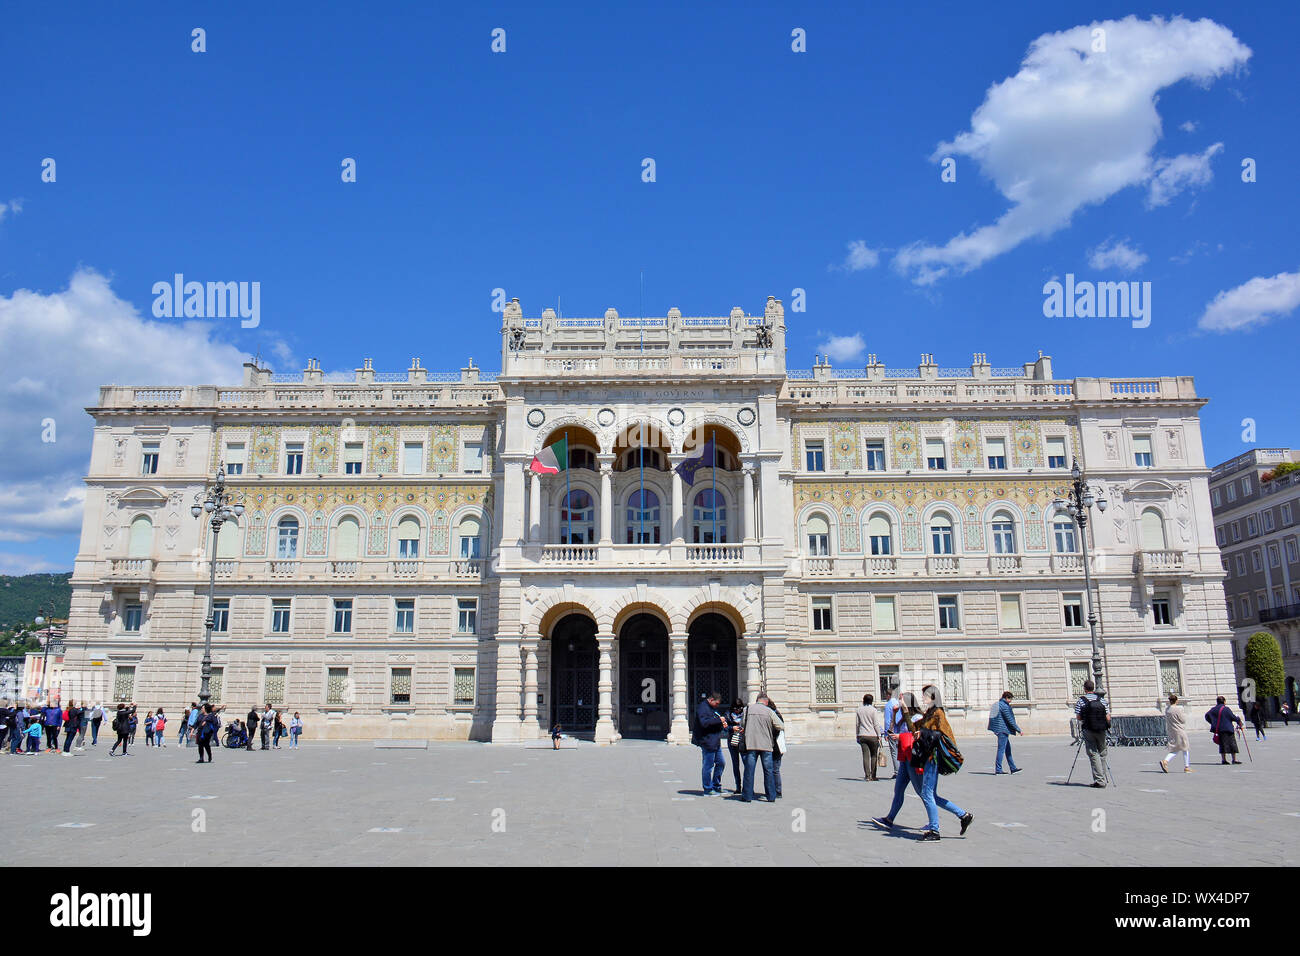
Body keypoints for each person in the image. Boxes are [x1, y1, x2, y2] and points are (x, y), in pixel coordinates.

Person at [907, 685, 973, 840]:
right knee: (932, 795)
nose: (922, 698)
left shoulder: (938, 713)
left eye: (925, 696)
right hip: (928, 757)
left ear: (933, 697)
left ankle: (934, 831)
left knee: (926, 793)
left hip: (933, 758)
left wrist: (923, 732)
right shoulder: (929, 714)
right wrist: (905, 711)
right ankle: (964, 816)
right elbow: (913, 729)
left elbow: (944, 735)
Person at [739, 693, 783, 803]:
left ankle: (747, 796)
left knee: (749, 771)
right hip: (766, 745)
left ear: (757, 700)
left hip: (751, 743)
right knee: (768, 771)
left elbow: (742, 724)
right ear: (766, 702)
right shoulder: (769, 711)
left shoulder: (747, 709)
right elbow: (781, 725)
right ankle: (771, 796)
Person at [1074, 680, 1110, 788]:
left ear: (1085, 689)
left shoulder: (1081, 700)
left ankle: (1099, 780)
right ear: (1093, 688)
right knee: (1102, 753)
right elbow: (1108, 717)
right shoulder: (1101, 700)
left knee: (1093, 753)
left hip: (1088, 729)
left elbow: (1079, 717)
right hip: (1101, 730)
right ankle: (1103, 777)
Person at [693, 691, 728, 796]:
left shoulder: (712, 708)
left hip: (715, 741)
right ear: (711, 700)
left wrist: (722, 724)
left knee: (721, 763)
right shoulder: (703, 707)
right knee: (708, 766)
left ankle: (716, 785)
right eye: (716, 703)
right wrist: (718, 720)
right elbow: (704, 723)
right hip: (707, 741)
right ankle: (707, 789)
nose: (718, 705)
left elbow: (714, 722)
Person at [988, 691, 1023, 775]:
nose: (1010, 701)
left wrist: (994, 729)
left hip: (998, 730)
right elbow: (1010, 719)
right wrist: (1019, 730)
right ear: (1007, 698)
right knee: (1001, 750)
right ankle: (998, 770)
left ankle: (1013, 768)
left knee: (1008, 750)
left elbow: (992, 717)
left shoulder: (996, 704)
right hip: (1003, 730)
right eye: (1010, 699)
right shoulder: (1004, 706)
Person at [1205, 696, 1244, 765]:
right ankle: (1234, 759)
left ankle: (1224, 760)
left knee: (1222, 744)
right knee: (1232, 744)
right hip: (1228, 729)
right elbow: (1233, 717)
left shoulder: (1213, 709)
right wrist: (1238, 720)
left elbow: (1207, 716)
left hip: (1219, 730)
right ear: (1224, 701)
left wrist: (1213, 723)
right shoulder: (1226, 709)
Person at [1159, 693, 1191, 773]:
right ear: (1176, 700)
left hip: (1172, 731)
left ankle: (1166, 761)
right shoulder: (1178, 709)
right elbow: (1183, 720)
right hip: (1180, 730)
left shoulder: (1167, 709)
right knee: (1185, 748)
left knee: (1176, 748)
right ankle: (1186, 766)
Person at [856, 693, 882, 781]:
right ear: (871, 701)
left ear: (863, 700)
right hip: (873, 735)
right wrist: (879, 735)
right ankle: (873, 775)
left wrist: (857, 735)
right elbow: (876, 724)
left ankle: (867, 776)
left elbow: (857, 724)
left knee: (865, 756)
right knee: (874, 755)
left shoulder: (859, 710)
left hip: (862, 735)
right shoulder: (873, 710)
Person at [882, 688, 905, 778]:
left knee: (894, 752)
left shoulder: (888, 705)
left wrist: (886, 733)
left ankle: (897, 772)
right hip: (901, 731)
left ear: (888, 695)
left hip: (893, 731)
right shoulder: (899, 703)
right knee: (901, 751)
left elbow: (888, 721)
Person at [767, 696, 786, 799]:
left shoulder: (774, 714)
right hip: (776, 745)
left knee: (774, 769)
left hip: (776, 746)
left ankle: (777, 791)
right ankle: (775, 790)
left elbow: (777, 730)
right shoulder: (775, 713)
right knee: (774, 769)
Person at [725, 698, 745, 793]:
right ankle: (738, 786)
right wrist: (732, 728)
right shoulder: (728, 714)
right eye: (735, 708)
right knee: (735, 765)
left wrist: (744, 729)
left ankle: (747, 786)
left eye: (739, 708)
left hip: (743, 741)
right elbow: (724, 728)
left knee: (746, 764)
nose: (737, 710)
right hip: (732, 741)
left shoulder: (746, 714)